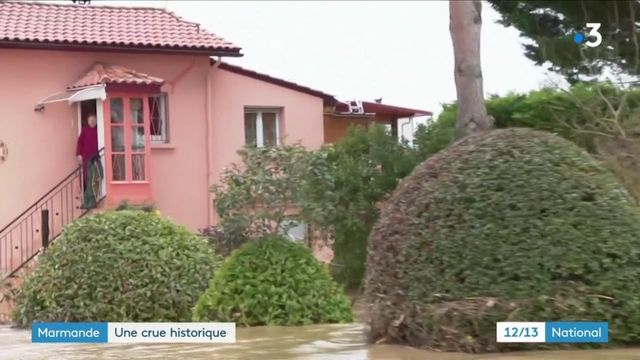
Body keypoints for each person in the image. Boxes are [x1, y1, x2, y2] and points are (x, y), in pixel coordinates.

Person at [76, 115, 102, 209]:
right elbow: (80, 142)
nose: (92, 122)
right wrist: (79, 154)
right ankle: (88, 201)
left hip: (96, 158)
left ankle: (94, 199)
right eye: (90, 120)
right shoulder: (85, 130)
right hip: (86, 159)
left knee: (95, 178)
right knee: (87, 179)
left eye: (94, 120)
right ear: (87, 121)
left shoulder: (99, 130)